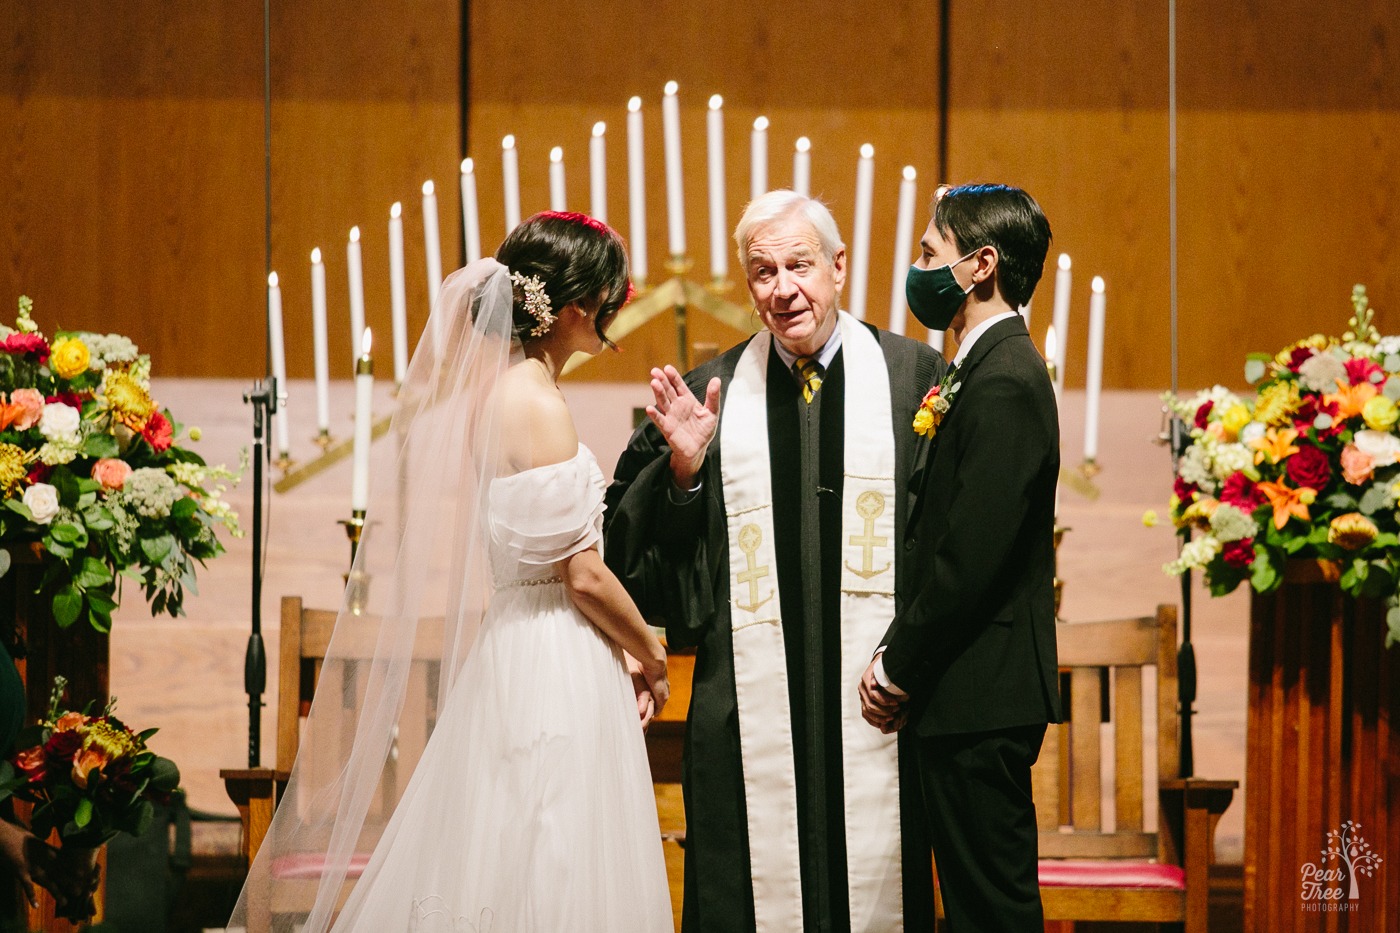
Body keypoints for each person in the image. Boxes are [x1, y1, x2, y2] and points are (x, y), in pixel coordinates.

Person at [229, 212, 673, 932]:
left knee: (513, 842)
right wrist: (650, 651)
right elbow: (581, 574)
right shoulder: (536, 402)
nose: (615, 309)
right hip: (553, 655)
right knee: (552, 849)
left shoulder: (493, 397)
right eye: (608, 294)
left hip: (515, 644)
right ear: (572, 306)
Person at [605, 190, 942, 932]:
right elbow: (661, 578)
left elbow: (950, 540)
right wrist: (686, 476)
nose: (783, 288)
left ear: (838, 268)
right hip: (747, 710)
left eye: (800, 265)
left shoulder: (916, 381)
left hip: (884, 702)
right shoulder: (710, 397)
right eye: (763, 272)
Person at [859, 183, 1063, 932]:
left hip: (981, 692)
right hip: (964, 691)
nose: (917, 267)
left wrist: (897, 664)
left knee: (991, 909)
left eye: (928, 251)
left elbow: (968, 559)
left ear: (981, 265)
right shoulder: (978, 367)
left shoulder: (1006, 379)